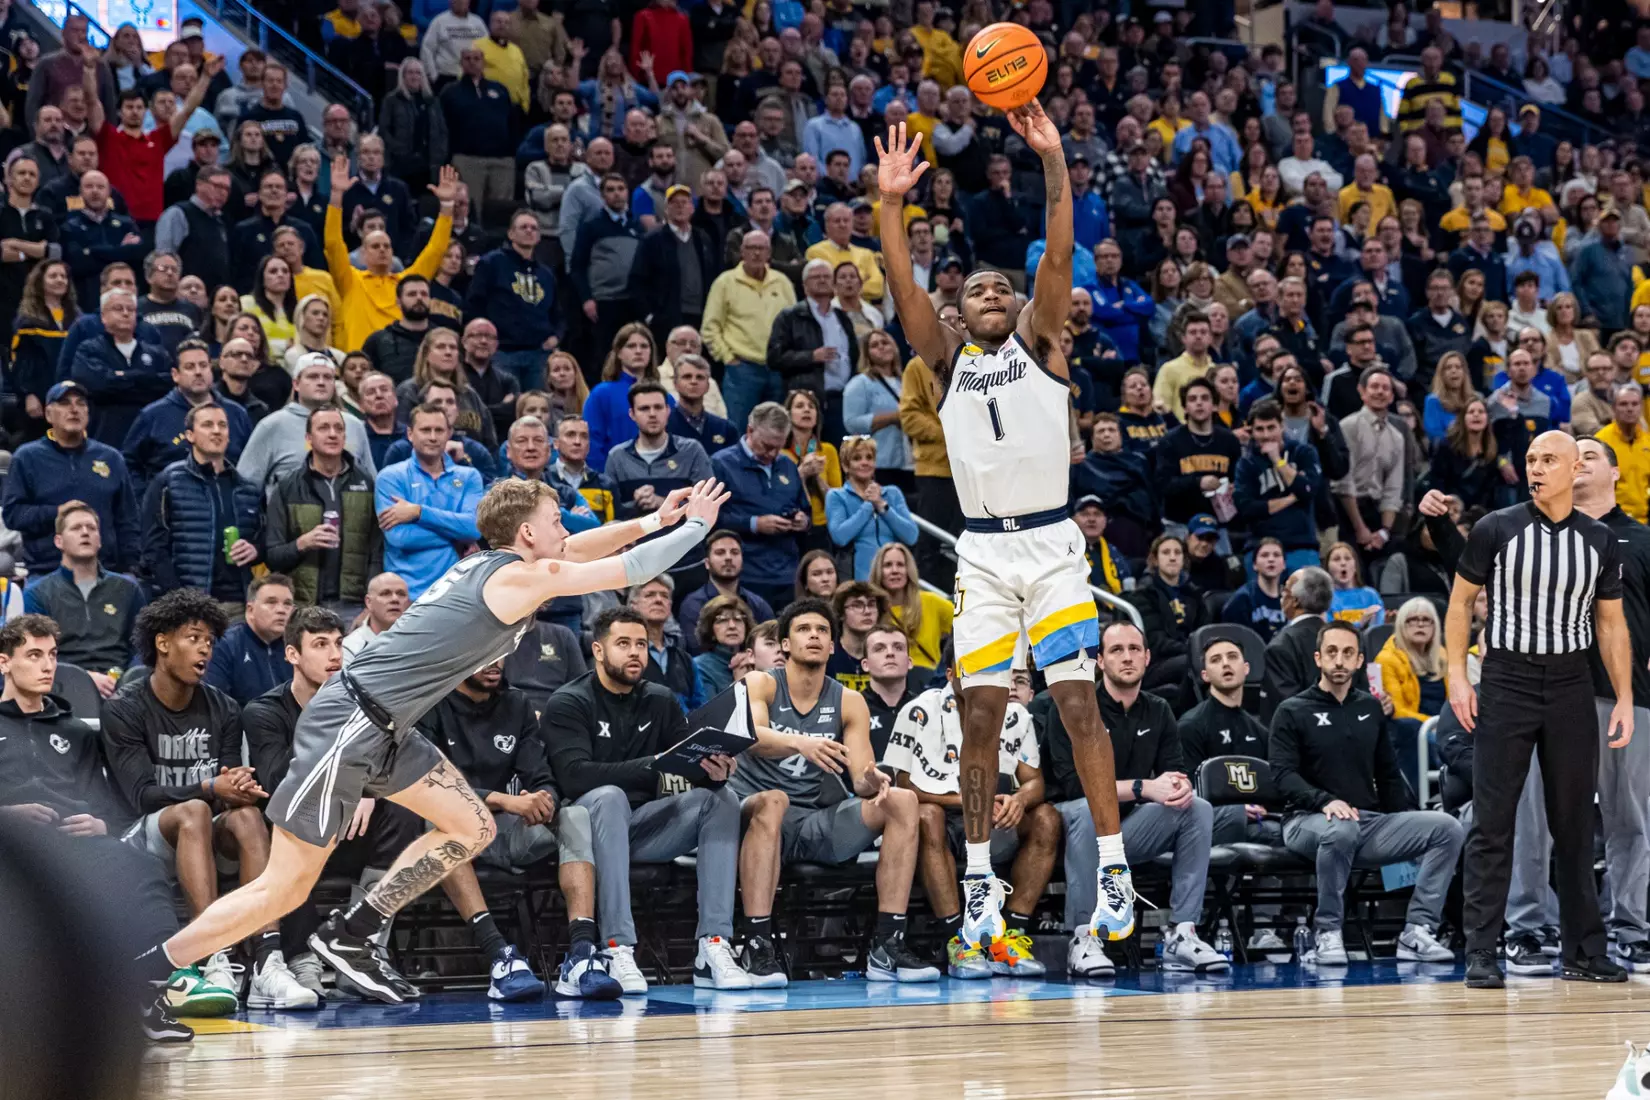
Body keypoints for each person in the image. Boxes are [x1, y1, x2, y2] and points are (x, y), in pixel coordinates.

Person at [129, 473, 732, 1005]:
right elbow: (631, 569)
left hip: (389, 726)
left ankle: (353, 930)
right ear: (526, 534)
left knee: (473, 827)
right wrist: (698, 528)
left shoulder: (503, 565)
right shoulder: (521, 581)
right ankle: (147, 979)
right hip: (349, 721)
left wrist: (658, 517)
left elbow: (586, 546)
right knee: (281, 888)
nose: (564, 528)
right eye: (553, 520)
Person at [877, 112, 1135, 958]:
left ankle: (1115, 872)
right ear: (957, 316)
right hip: (982, 551)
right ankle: (982, 887)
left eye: (1002, 290)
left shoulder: (1045, 346)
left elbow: (1058, 251)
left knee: (1075, 706)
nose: (991, 296)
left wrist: (1054, 159)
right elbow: (905, 288)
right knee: (978, 712)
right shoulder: (945, 363)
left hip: (1055, 546)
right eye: (975, 292)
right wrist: (889, 208)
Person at [1447, 431, 1636, 989]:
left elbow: (1610, 623)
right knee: (1494, 821)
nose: (1536, 468)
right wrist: (1458, 674)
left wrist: (1624, 696)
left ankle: (1584, 950)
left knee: (1576, 824)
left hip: (1572, 683)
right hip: (1506, 679)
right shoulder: (1496, 527)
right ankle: (1483, 949)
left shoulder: (1600, 539)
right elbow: (1459, 603)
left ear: (1576, 467)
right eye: (1530, 459)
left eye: (1548, 459)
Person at [103, 590, 317, 1011]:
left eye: (210, 642)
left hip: (202, 831)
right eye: (193, 638)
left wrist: (239, 786)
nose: (205, 649)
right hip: (142, 842)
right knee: (195, 809)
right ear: (162, 643)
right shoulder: (125, 709)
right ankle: (211, 953)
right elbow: (141, 796)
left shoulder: (223, 707)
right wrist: (207, 789)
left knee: (247, 819)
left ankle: (265, 961)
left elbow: (227, 781)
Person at [542, 604, 768, 993]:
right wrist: (654, 765)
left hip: (645, 826)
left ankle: (713, 945)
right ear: (598, 651)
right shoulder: (569, 701)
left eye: (642, 645)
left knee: (723, 799)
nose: (635, 653)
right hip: (585, 834)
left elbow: (682, 767)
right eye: (624, 644)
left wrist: (712, 772)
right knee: (610, 797)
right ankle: (616, 946)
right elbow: (573, 777)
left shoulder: (661, 699)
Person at [727, 599, 936, 982]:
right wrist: (801, 743)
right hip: (750, 815)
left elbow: (859, 776)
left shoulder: (847, 700)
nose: (814, 636)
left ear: (833, 646)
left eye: (822, 631)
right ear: (785, 644)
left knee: (902, 801)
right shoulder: (759, 682)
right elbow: (751, 735)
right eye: (804, 629)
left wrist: (873, 782)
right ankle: (756, 943)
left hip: (809, 821)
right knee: (775, 800)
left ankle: (887, 944)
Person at [1032, 621, 1227, 978]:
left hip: (1127, 829)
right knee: (1091, 810)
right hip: (1070, 827)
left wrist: (1177, 788)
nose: (1127, 657)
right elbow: (1075, 786)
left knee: (1196, 807)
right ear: (1099, 661)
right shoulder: (1073, 709)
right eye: (1117, 650)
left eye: (1135, 649)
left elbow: (1172, 775)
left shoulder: (1159, 710)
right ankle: (1083, 937)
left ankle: (1182, 933)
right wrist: (1144, 787)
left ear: (1148, 658)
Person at [1271, 619, 1463, 965]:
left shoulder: (1370, 708)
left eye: (1348, 653)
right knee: (1339, 828)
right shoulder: (1292, 710)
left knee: (1446, 827)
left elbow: (1388, 775)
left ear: (1360, 661)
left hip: (1366, 822)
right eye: (1331, 652)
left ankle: (1418, 930)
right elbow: (1282, 776)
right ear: (1318, 658)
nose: (1339, 661)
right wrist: (1326, 801)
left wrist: (1401, 823)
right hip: (1305, 821)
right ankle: (1327, 932)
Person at [421, 657, 615, 1000]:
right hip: (452, 830)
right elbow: (427, 784)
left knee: (576, 815)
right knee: (440, 823)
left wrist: (544, 798)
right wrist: (501, 800)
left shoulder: (516, 702)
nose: (494, 662)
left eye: (501, 653)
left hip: (506, 832)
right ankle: (500, 956)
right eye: (483, 654)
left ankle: (581, 954)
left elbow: (541, 775)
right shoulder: (431, 702)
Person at [888, 667, 1056, 979]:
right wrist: (967, 801)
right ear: (951, 673)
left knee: (1046, 817)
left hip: (994, 820)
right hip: (945, 819)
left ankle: (1010, 937)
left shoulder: (1015, 713)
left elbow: (1034, 782)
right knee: (926, 815)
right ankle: (959, 940)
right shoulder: (920, 710)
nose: (982, 679)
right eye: (973, 670)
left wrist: (1018, 800)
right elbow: (904, 786)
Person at [3, 381, 141, 576]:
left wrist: (130, 567)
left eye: (81, 403)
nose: (74, 409)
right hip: (47, 572)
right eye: (64, 403)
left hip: (106, 572)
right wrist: (57, 512)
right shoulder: (27, 457)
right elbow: (13, 516)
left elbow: (127, 519)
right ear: (49, 414)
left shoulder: (111, 458)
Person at [138, 402, 262, 601]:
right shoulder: (168, 481)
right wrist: (180, 598)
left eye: (222, 425)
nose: (216, 431)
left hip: (238, 602)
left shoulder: (247, 488)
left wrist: (256, 549)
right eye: (207, 425)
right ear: (190, 435)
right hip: (187, 602)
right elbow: (153, 548)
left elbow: (264, 540)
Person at [20, 502, 144, 695]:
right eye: (76, 528)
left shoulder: (127, 589)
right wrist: (83, 678)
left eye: (91, 528)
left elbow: (141, 647)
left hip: (122, 687)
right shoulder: (38, 593)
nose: (85, 532)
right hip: (62, 687)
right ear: (58, 541)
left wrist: (125, 680)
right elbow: (36, 654)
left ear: (100, 540)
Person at [375, 402, 484, 599]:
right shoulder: (390, 477)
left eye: (439, 430)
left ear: (449, 433)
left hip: (457, 593)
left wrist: (418, 512)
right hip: (406, 596)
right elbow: (400, 537)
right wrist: (457, 536)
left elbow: (474, 528)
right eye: (425, 430)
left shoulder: (470, 476)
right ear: (410, 434)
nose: (433, 437)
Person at [1178, 636, 1275, 847]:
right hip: (1211, 823)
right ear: (1204, 675)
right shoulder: (1191, 725)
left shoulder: (1259, 730)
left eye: (1232, 657)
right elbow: (1188, 791)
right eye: (1215, 660)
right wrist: (1238, 809)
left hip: (1257, 821)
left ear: (1246, 668)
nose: (1225, 664)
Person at [236, 354, 377, 492]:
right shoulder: (272, 425)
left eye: (328, 377)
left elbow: (371, 481)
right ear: (296, 384)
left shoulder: (354, 425)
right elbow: (245, 486)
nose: (321, 382)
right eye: (313, 376)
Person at [826, 435, 919, 581]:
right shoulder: (837, 496)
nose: (864, 462)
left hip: (893, 579)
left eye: (869, 458)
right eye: (857, 458)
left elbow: (911, 535)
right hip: (858, 582)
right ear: (845, 466)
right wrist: (869, 505)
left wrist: (882, 506)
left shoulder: (892, 493)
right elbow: (840, 537)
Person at [678, 529, 775, 644]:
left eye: (734, 552)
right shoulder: (693, 604)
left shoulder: (758, 605)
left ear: (742, 560)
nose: (728, 557)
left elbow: (772, 643)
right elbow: (695, 649)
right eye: (720, 552)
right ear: (707, 563)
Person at [1221, 537, 1289, 642]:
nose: (1271, 559)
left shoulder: (1290, 599)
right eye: (1264, 555)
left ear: (1284, 564)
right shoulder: (1241, 600)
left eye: (1276, 555)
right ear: (1254, 565)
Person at [341, 571, 409, 660]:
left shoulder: (422, 640)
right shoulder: (350, 647)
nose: (395, 599)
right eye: (385, 593)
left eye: (401, 594)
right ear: (369, 602)